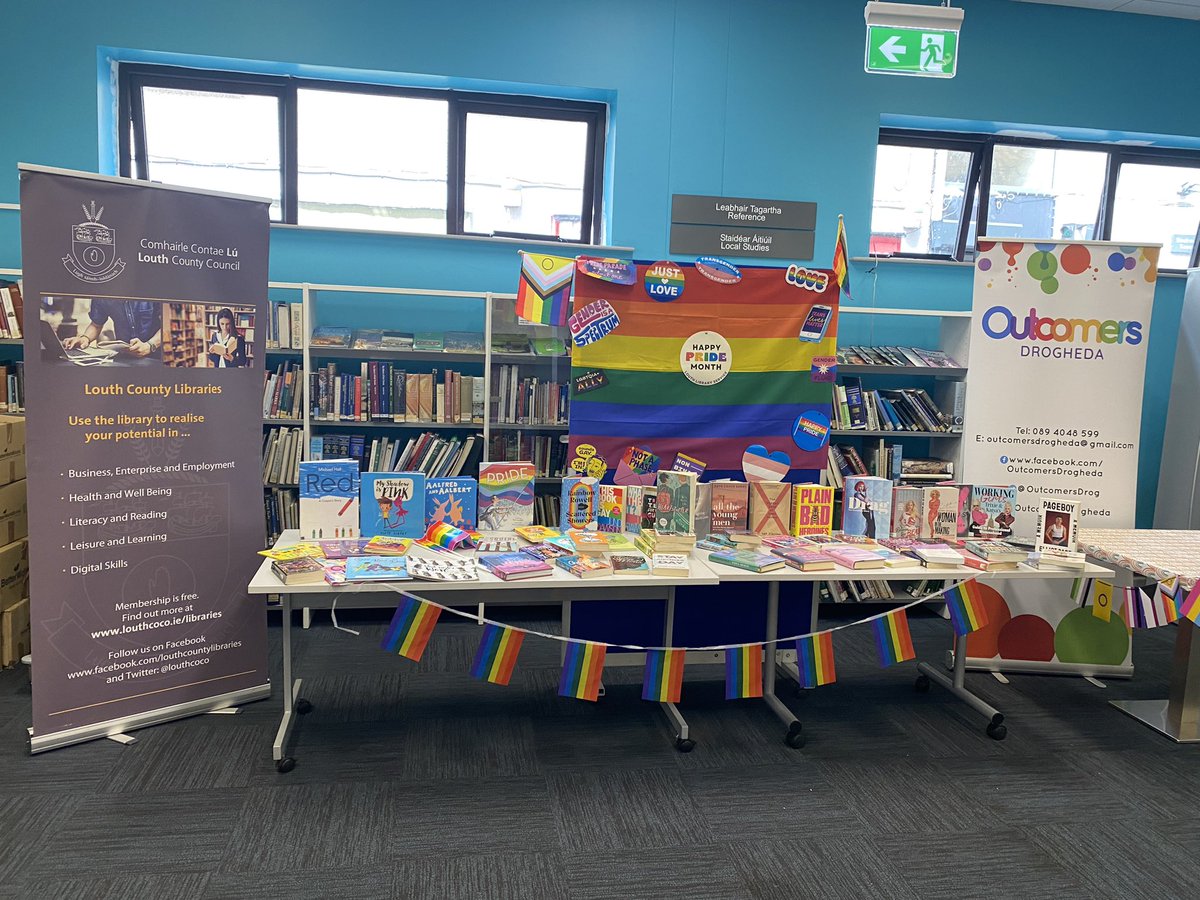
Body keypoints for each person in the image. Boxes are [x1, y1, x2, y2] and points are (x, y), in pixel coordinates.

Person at [62, 299, 161, 359]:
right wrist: (84, 338)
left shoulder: (151, 287)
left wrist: (149, 346)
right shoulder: (103, 293)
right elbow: (96, 324)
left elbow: (167, 326)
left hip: (156, 357)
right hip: (125, 358)